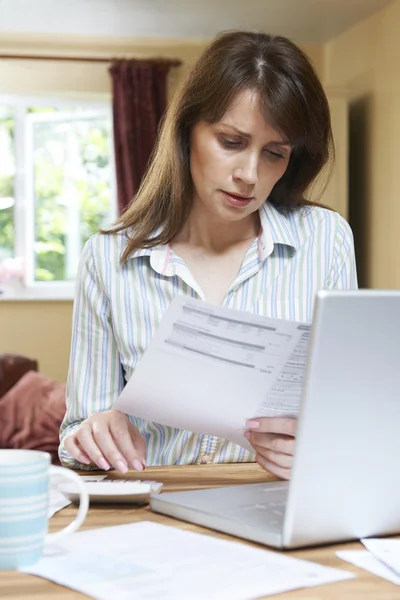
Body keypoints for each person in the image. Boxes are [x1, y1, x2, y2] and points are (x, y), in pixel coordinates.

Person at [59, 30, 357, 480]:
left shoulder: (326, 240)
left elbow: (350, 416)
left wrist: (322, 446)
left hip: (274, 505)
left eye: (274, 153)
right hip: (151, 510)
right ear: (187, 131)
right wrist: (92, 438)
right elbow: (77, 434)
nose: (249, 175)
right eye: (231, 142)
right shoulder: (107, 259)